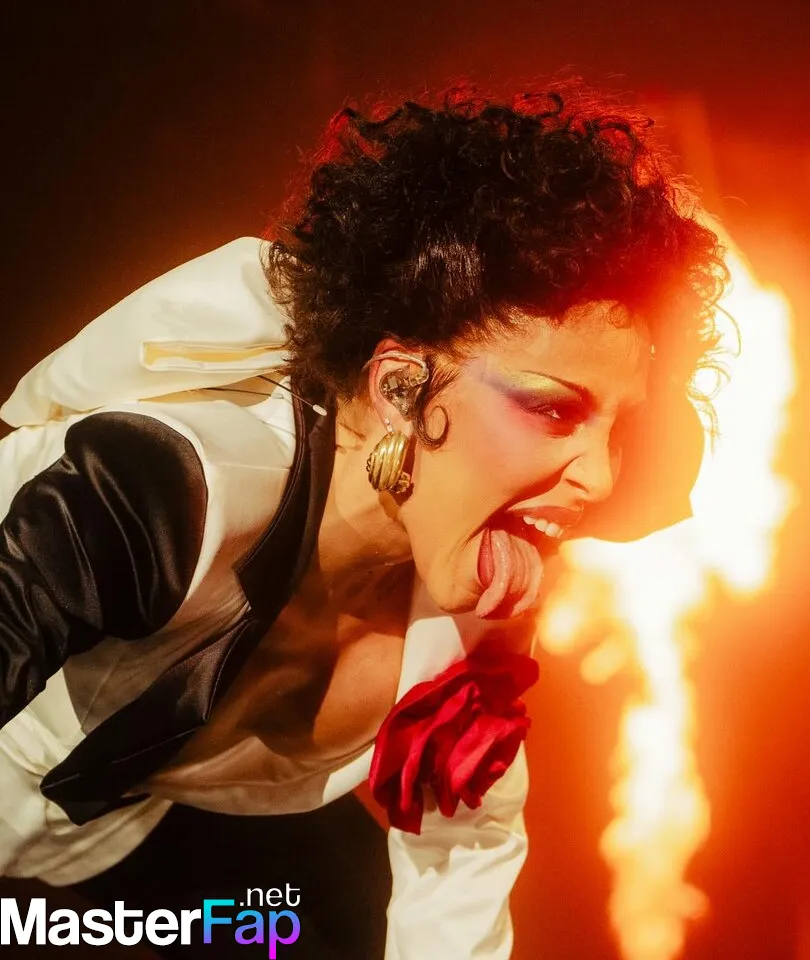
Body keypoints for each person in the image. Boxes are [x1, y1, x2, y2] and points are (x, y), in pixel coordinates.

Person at [0, 83, 726, 958]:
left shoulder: (477, 602)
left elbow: (463, 860)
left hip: (130, 873)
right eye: (551, 409)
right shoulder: (168, 489)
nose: (601, 477)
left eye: (619, 429)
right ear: (399, 389)